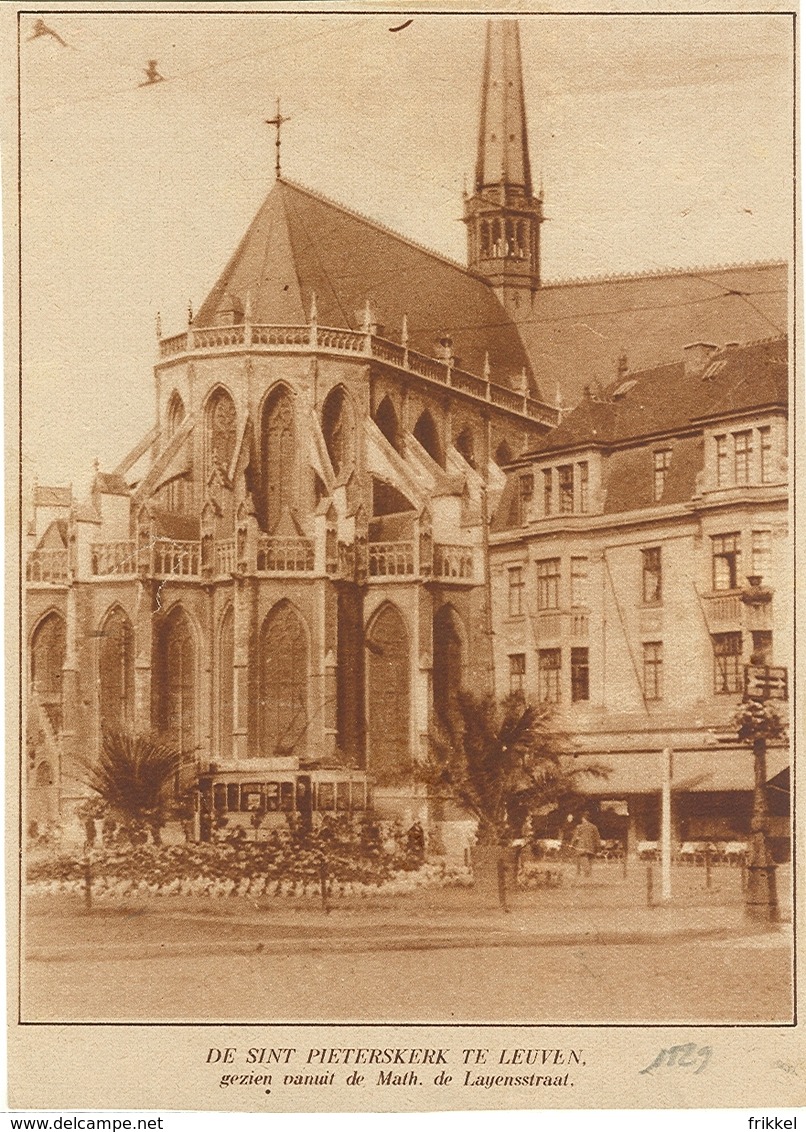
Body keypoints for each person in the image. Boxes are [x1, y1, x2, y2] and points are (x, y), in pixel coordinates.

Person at [571, 811, 601, 877]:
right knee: (589, 863)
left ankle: (583, 875)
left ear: (583, 818)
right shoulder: (594, 827)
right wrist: (598, 849)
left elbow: (575, 837)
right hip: (591, 848)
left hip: (581, 848)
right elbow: (597, 839)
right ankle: (586, 876)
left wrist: (572, 844)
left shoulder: (579, 827)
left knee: (583, 861)